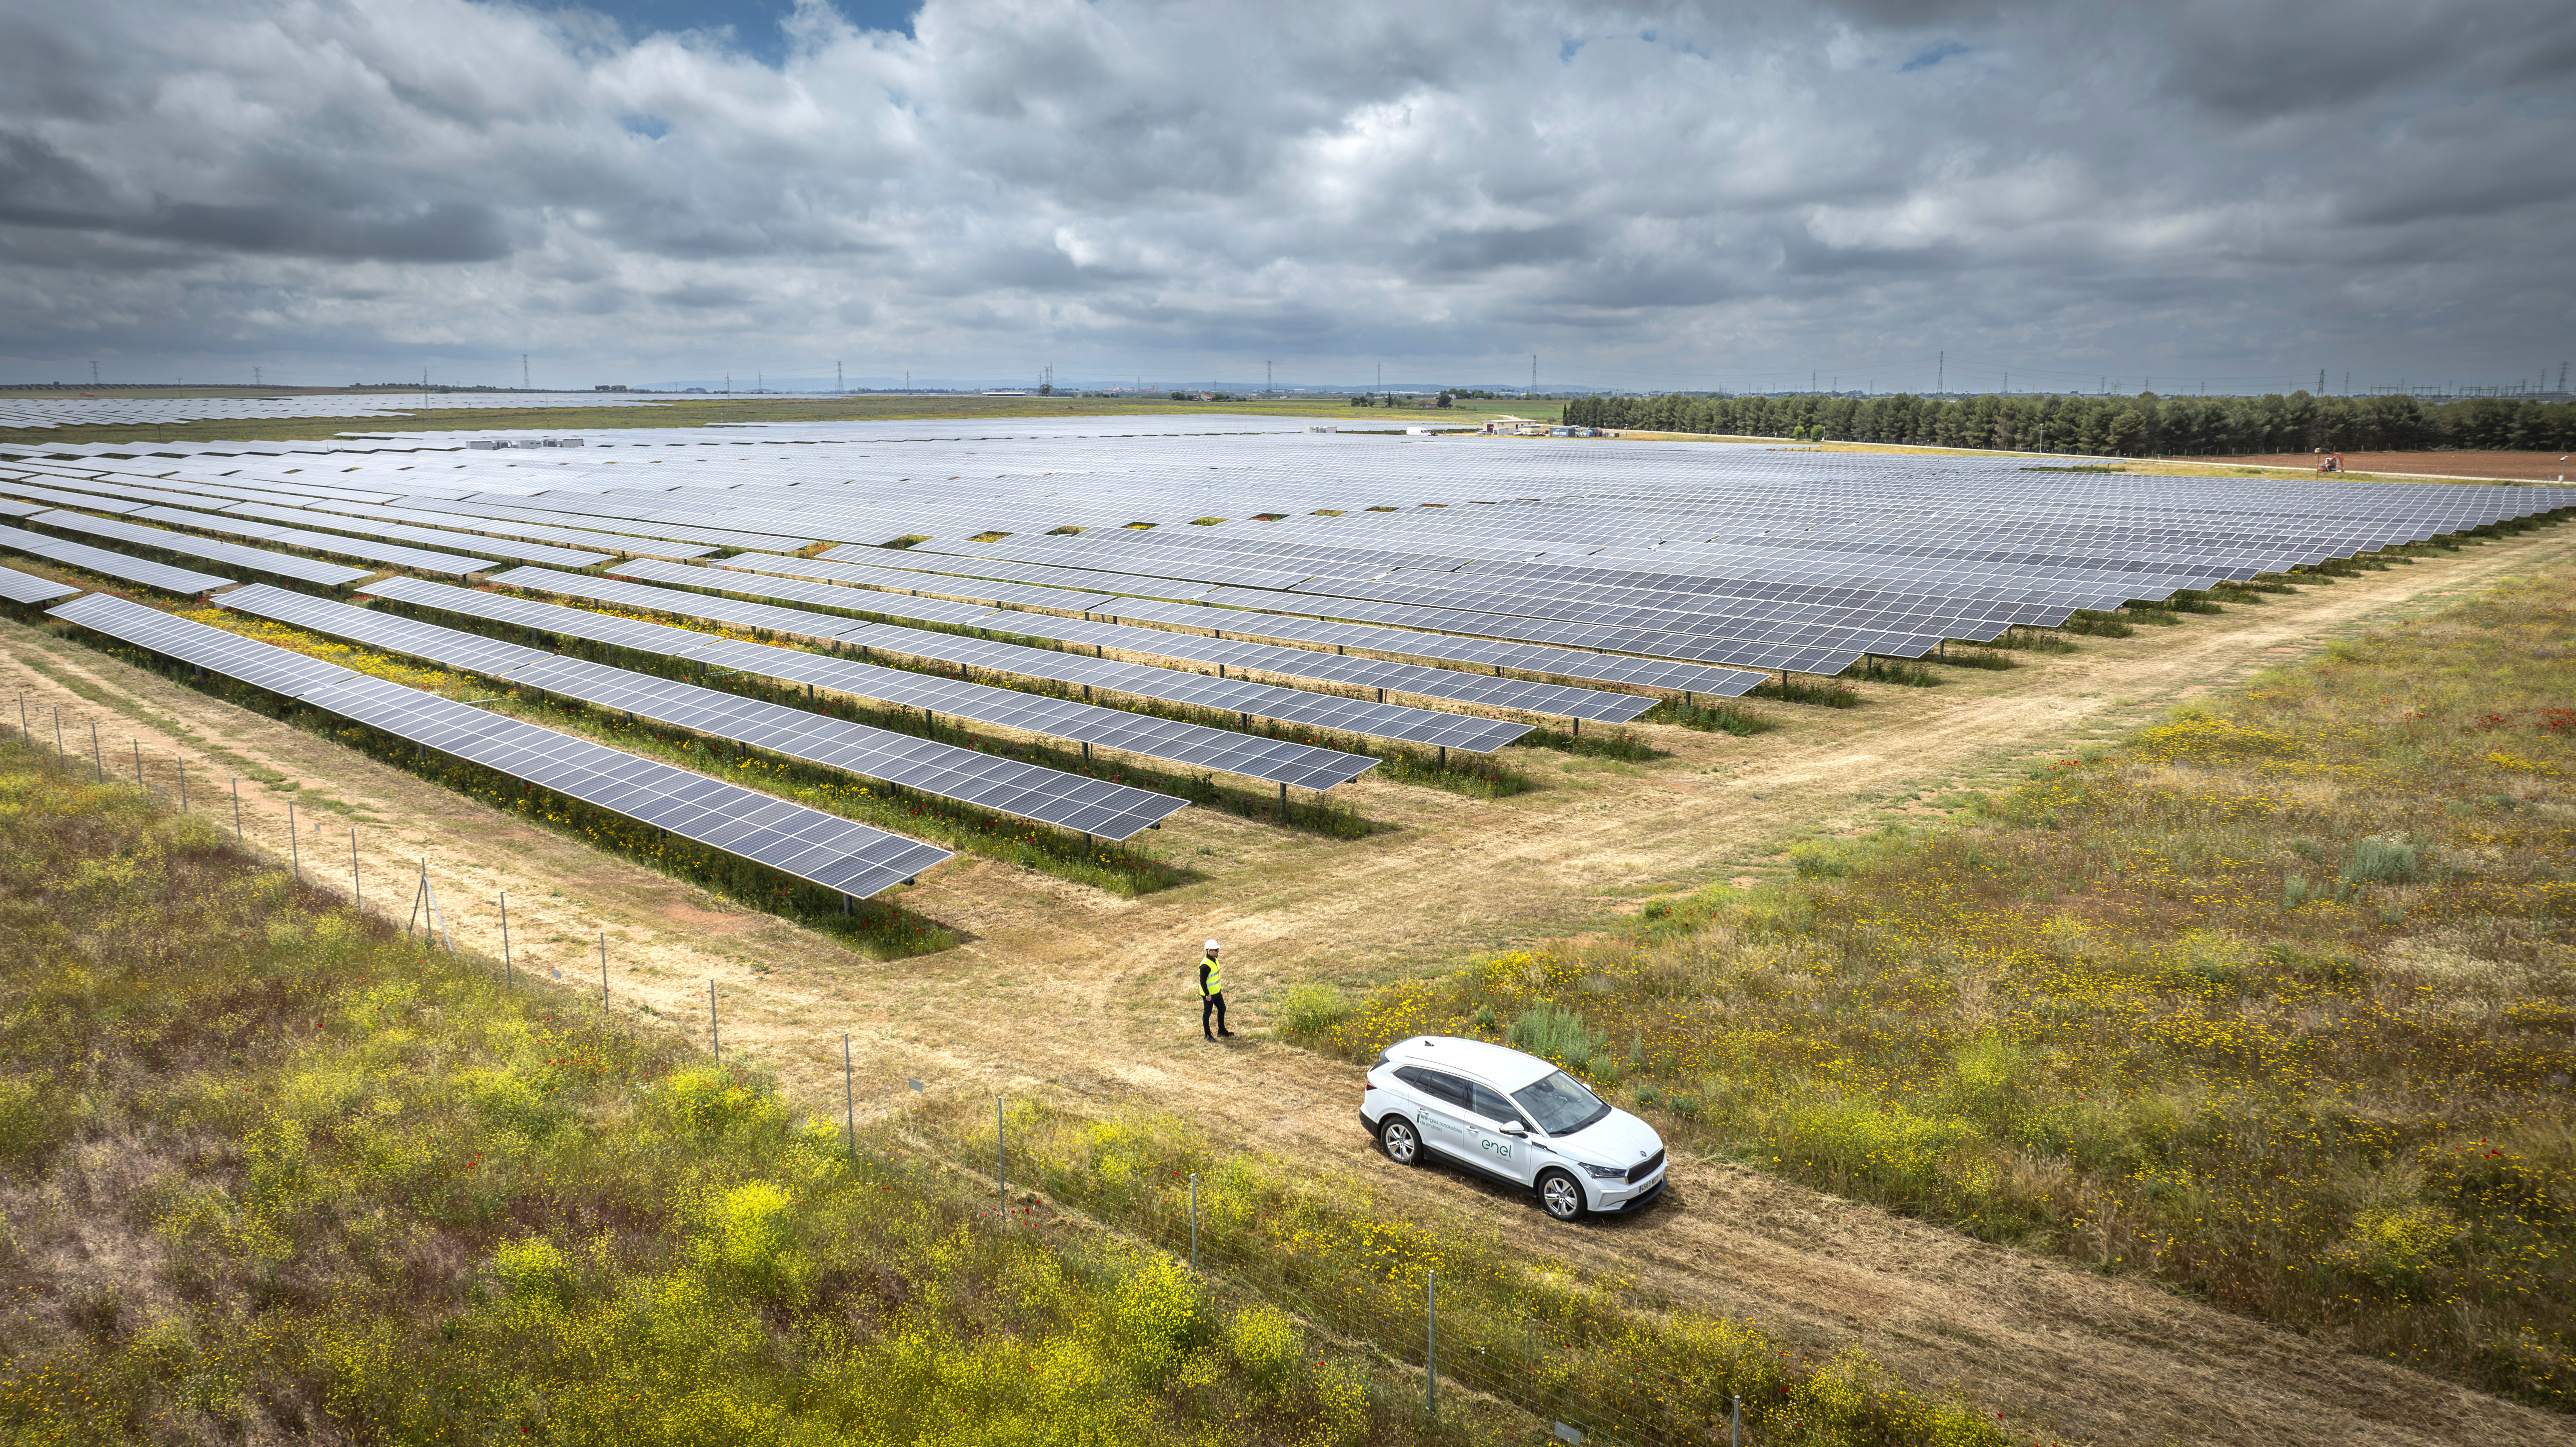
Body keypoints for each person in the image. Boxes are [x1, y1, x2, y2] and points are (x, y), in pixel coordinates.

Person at [1199, 938, 1232, 1040]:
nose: (1218, 952)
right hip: (1209, 994)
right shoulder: (1205, 965)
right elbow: (1202, 982)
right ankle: (1207, 1035)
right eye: (1216, 950)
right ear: (1209, 952)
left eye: (1218, 949)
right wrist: (1207, 995)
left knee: (1222, 1009)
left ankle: (1221, 1031)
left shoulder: (1215, 960)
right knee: (1207, 1014)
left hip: (1217, 992)